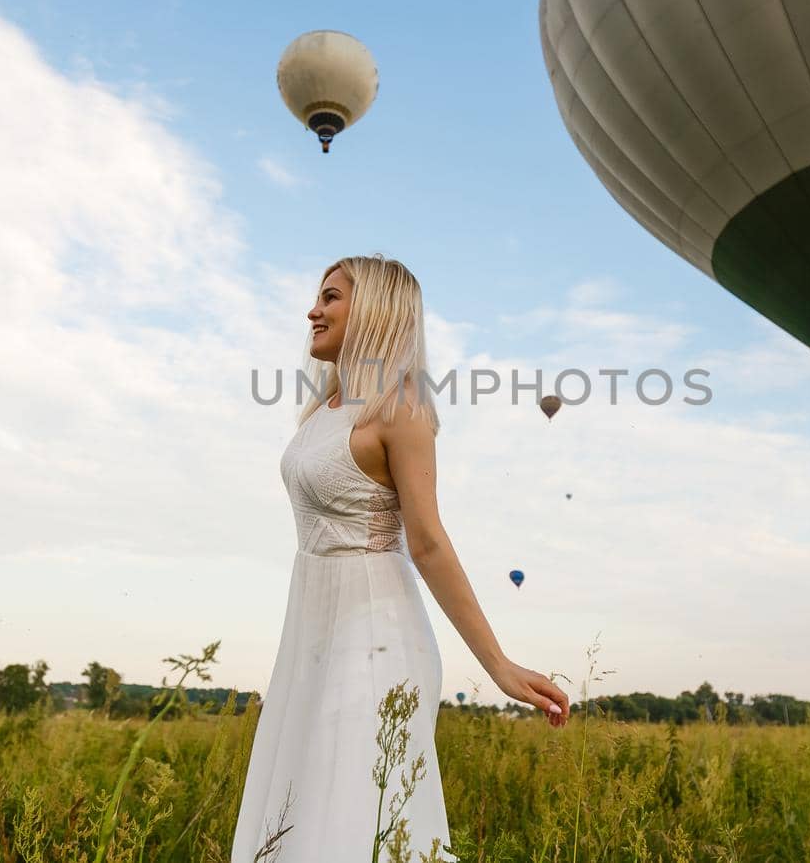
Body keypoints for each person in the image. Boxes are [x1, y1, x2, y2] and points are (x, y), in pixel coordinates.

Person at [230, 255, 570, 862]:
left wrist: (498, 666)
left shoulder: (400, 408)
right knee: (300, 809)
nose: (314, 309)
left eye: (331, 297)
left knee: (355, 815)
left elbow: (429, 543)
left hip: (376, 639)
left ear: (376, 311)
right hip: (310, 635)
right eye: (318, 297)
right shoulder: (321, 412)